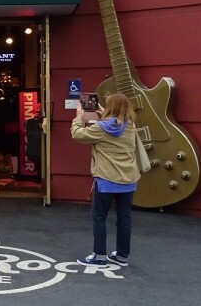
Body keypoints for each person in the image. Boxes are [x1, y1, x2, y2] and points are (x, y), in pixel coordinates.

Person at [71, 93, 139, 269]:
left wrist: (78, 118)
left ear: (111, 108)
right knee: (124, 218)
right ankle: (122, 255)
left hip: (106, 179)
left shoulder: (101, 128)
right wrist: (104, 113)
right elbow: (116, 124)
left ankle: (99, 255)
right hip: (128, 179)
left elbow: (78, 135)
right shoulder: (130, 126)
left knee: (99, 216)